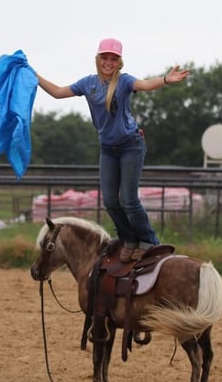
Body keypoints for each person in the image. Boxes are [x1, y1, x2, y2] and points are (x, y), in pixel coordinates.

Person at [35, 37, 189, 262]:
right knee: (109, 200)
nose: (108, 62)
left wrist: (166, 79)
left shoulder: (124, 81)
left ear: (119, 62)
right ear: (98, 59)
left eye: (113, 59)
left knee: (128, 198)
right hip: (108, 149)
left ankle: (149, 242)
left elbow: (145, 85)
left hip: (131, 145)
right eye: (104, 57)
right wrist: (35, 77)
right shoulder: (88, 83)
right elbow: (58, 92)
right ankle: (129, 240)